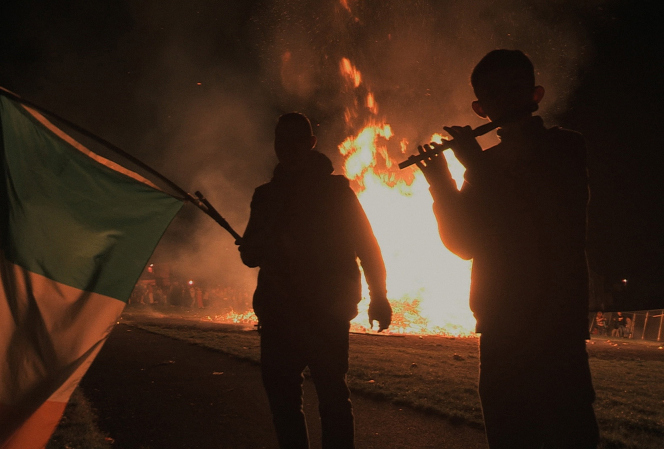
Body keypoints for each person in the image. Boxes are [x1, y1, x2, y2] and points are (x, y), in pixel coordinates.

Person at [416, 50, 599, 448]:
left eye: (516, 88)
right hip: (500, 323)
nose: (508, 99)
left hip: (554, 322)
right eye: (495, 93)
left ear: (536, 95)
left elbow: (547, 218)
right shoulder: (487, 163)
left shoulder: (565, 148)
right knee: (509, 432)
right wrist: (441, 183)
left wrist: (475, 168)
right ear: (481, 108)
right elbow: (464, 243)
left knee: (565, 432)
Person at [238, 112, 391, 449]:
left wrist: (379, 295)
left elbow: (367, 245)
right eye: (281, 140)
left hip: (326, 313)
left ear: (310, 143)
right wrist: (255, 246)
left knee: (332, 399)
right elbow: (250, 256)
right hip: (280, 313)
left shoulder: (337, 192)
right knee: (285, 404)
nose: (287, 147)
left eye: (295, 140)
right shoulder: (264, 196)